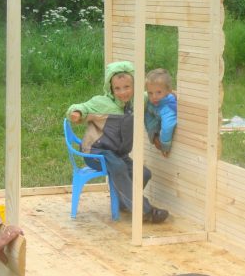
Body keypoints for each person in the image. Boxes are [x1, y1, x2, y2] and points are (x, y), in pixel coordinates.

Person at [66, 60, 169, 224]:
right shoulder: (101, 103)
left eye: (127, 87)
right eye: (117, 88)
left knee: (144, 173)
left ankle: (124, 202)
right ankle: (146, 211)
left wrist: (170, 95)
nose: (123, 92)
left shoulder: (137, 101)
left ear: (134, 86)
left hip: (117, 153)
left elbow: (153, 94)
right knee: (119, 167)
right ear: (110, 89)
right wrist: (76, 113)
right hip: (95, 152)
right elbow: (81, 107)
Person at [144, 68, 177, 157]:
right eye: (150, 93)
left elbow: (167, 127)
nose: (154, 96)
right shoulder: (153, 101)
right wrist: (152, 133)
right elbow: (148, 115)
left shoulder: (168, 107)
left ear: (169, 90)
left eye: (158, 92)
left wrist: (165, 146)